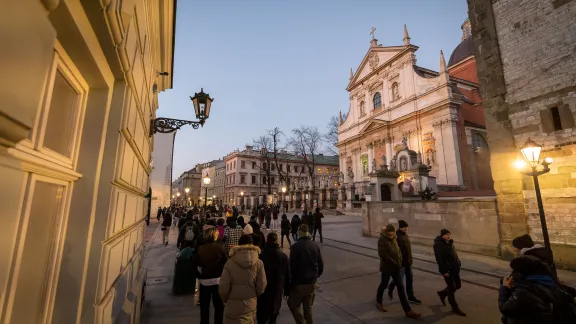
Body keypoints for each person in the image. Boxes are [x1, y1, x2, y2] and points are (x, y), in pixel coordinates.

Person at [376, 224, 421, 319]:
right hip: (387, 268)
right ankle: (379, 301)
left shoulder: (394, 238)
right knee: (383, 284)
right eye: (390, 234)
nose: (392, 235)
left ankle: (408, 311)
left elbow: (398, 250)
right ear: (387, 232)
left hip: (396, 267)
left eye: (393, 234)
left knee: (401, 287)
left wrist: (400, 260)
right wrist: (393, 261)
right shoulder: (382, 239)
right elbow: (382, 254)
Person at [219, 234, 267, 323]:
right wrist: (255, 294)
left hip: (232, 303)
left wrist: (224, 299)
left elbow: (223, 285)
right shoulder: (259, 263)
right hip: (250, 302)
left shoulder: (230, 262)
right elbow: (262, 283)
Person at [498, 255, 558, 324]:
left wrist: (504, 288)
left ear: (521, 273)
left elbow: (505, 308)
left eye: (514, 270)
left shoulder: (524, 290)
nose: (512, 273)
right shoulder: (543, 281)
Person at [288, 224, 323, 324]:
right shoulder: (315, 245)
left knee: (293, 304)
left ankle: (301, 322)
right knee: (308, 308)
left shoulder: (295, 247)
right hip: (311, 283)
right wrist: (315, 277)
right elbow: (321, 266)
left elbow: (291, 266)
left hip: (299, 283)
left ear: (299, 232)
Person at [257, 233, 291, 324]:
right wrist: (287, 291)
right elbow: (288, 275)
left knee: (262, 316)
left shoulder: (261, 256)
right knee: (273, 315)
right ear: (277, 241)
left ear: (267, 241)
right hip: (277, 290)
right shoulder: (283, 256)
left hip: (263, 291)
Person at [197, 227, 227, 324]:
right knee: (219, 307)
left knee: (204, 307)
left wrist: (199, 276)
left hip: (204, 281)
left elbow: (193, 264)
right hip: (218, 280)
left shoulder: (200, 248)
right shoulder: (221, 247)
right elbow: (226, 262)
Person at [433, 229, 466, 316]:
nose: (449, 236)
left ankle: (442, 293)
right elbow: (439, 259)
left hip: (455, 268)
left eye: (449, 234)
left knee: (458, 285)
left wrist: (458, 262)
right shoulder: (438, 245)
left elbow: (454, 253)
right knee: (451, 288)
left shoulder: (450, 242)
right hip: (448, 270)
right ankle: (454, 307)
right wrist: (443, 271)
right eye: (447, 234)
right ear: (442, 235)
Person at [387, 220, 421, 304]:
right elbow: (394, 250)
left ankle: (410, 296)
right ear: (401, 227)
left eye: (407, 227)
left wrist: (410, 259)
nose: (406, 229)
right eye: (405, 227)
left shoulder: (405, 235)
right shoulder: (397, 236)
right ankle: (391, 286)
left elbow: (408, 249)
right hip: (401, 263)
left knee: (410, 280)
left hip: (408, 262)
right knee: (399, 280)